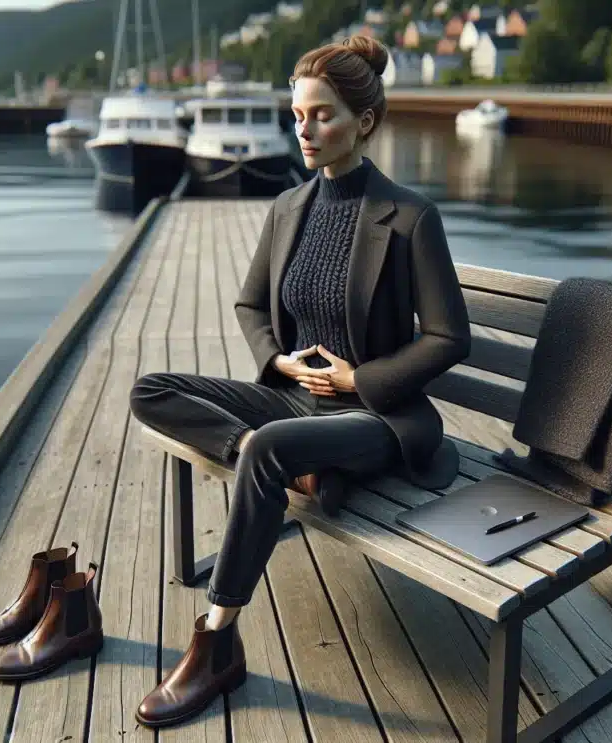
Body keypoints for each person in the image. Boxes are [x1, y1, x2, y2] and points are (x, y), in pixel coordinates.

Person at [128, 35, 471, 728]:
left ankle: (216, 639)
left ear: (364, 123)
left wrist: (361, 374)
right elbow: (253, 305)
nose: (304, 130)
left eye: (322, 116)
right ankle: (286, 458)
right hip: (291, 397)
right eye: (297, 115)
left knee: (266, 451)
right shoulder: (289, 206)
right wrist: (277, 361)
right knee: (150, 390)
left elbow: (448, 337)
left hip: (376, 416)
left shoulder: (409, 217)